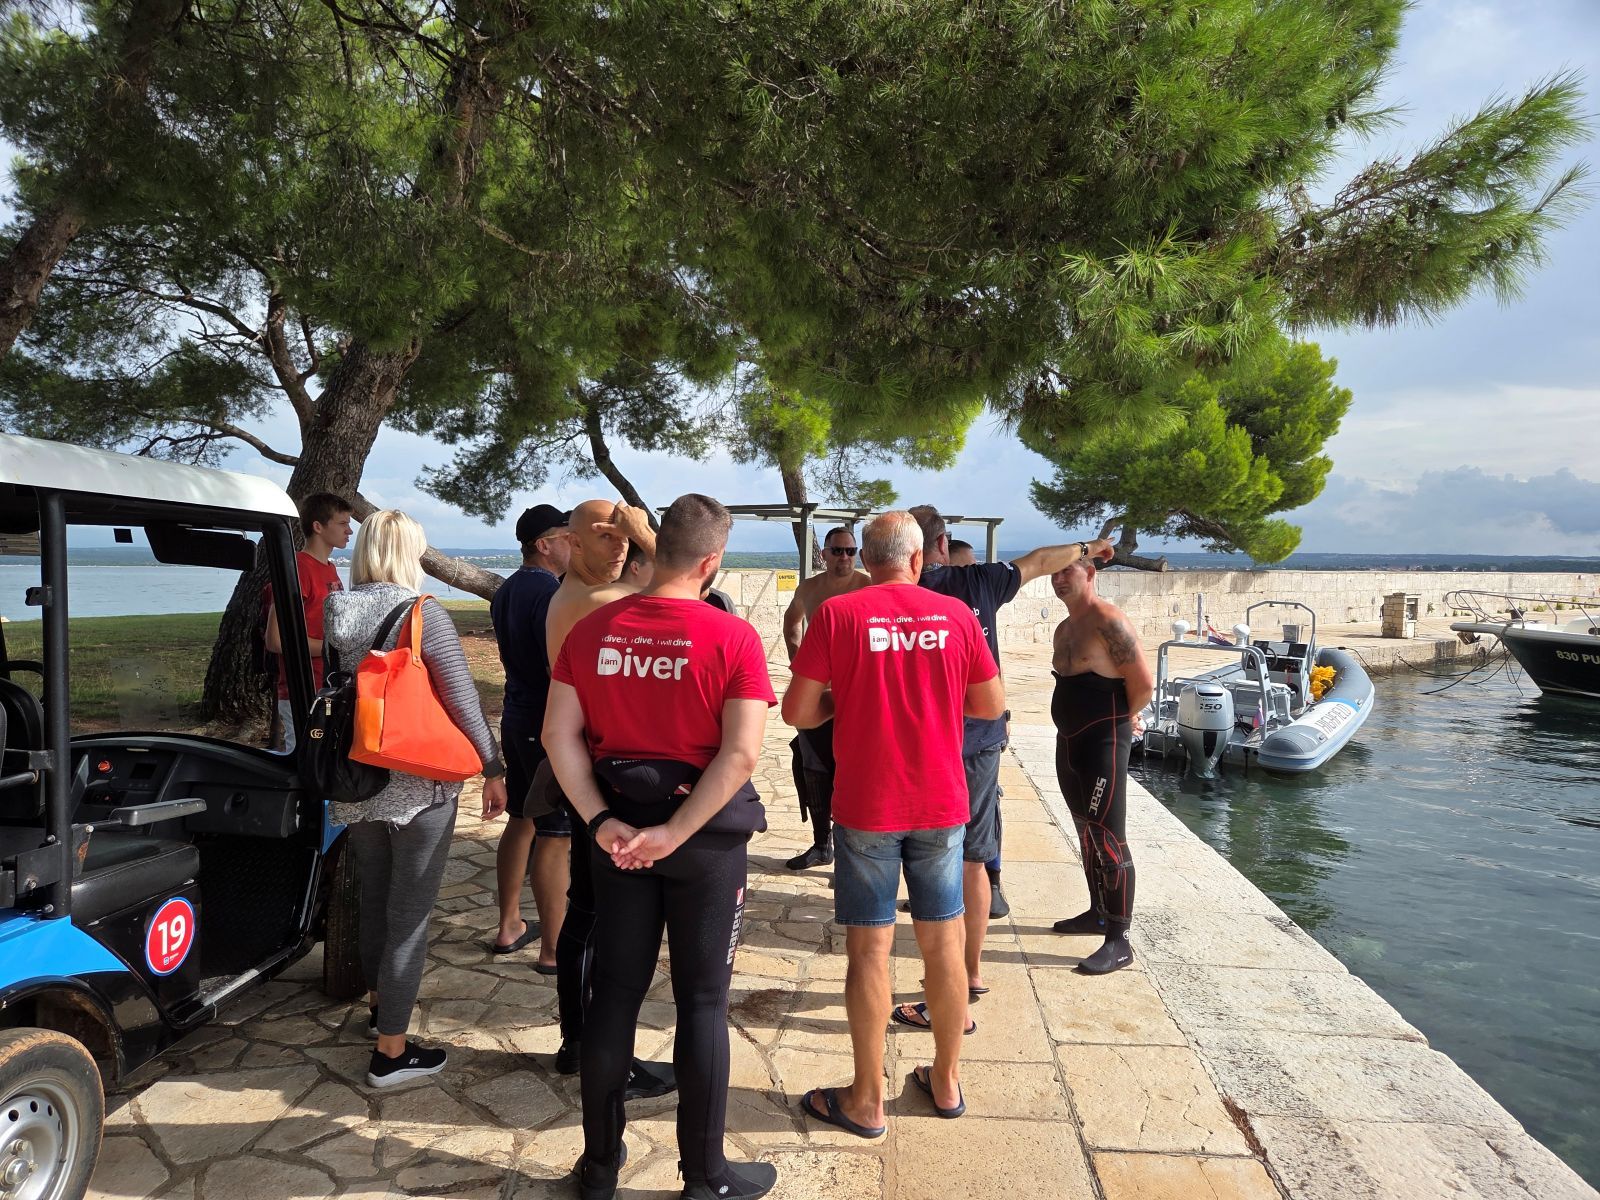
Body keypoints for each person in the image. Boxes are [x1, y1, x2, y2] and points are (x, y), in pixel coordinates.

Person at [546, 493, 778, 1200]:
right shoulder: (732, 637)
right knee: (702, 1002)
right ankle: (705, 1178)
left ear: (657, 549)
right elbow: (740, 755)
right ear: (711, 561)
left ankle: (598, 1169)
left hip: (617, 833)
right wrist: (675, 833)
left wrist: (598, 821)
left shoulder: (593, 628)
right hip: (704, 843)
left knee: (614, 995)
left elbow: (557, 736)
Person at [784, 512, 1004, 1135]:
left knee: (868, 951)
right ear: (917, 560)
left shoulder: (838, 614)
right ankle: (946, 1081)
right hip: (940, 802)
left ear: (867, 559)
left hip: (867, 805)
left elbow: (798, 711)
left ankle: (867, 1099)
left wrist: (847, 699)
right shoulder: (955, 615)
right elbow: (990, 704)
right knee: (944, 947)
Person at [897, 506, 1113, 1019]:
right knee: (973, 860)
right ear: (943, 544)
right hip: (980, 740)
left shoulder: (895, 597)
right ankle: (969, 972)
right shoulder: (980, 583)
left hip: (923, 745)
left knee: (930, 861)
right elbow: (1039, 560)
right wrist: (1088, 549)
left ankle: (943, 987)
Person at [323, 510, 508, 1087]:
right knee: (409, 919)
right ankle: (391, 1052)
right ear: (409, 554)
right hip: (419, 785)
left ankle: (380, 1007)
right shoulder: (423, 614)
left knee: (375, 903)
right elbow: (461, 701)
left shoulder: (337, 609)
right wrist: (493, 766)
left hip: (359, 781)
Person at [544, 500, 674, 1101]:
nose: (621, 544)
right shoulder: (594, 601)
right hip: (596, 775)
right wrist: (649, 533)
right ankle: (595, 1048)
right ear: (572, 542)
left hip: (593, 766)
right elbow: (684, 589)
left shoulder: (587, 595)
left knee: (589, 911)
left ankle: (580, 1040)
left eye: (624, 535)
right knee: (597, 916)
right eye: (606, 534)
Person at [1047, 554, 1154, 974]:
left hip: (1103, 742)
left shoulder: (1109, 621)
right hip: (1069, 742)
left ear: (1090, 573)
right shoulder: (1064, 628)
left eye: (1067, 570)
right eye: (1054, 571)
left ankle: (1119, 940)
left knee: (1109, 837)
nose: (1058, 578)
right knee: (1086, 832)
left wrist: (1128, 716)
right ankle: (1097, 913)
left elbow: (1142, 683)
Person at [488, 504, 572, 962]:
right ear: (543, 545)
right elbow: (555, 667)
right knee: (555, 834)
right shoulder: (550, 592)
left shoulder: (507, 589)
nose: (573, 544)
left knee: (520, 821)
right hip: (544, 723)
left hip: (516, 717)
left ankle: (508, 925)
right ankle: (553, 950)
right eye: (566, 536)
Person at [779, 526, 870, 870]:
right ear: (824, 553)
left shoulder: (868, 587)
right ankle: (821, 845)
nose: (844, 557)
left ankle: (851, 852)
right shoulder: (809, 588)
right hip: (819, 695)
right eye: (838, 550)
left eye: (851, 551)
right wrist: (798, 661)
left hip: (857, 697)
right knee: (814, 768)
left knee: (853, 773)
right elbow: (791, 622)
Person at [263, 492, 352, 752]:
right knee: (306, 759)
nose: (349, 531)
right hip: (303, 691)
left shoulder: (330, 568)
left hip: (328, 689)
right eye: (342, 523)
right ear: (318, 526)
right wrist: (331, 649)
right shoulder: (299, 568)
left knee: (327, 759)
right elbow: (275, 640)